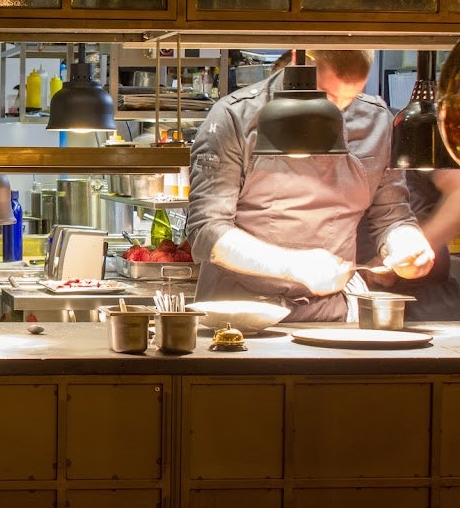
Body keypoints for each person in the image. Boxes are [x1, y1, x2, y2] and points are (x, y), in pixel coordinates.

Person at [186, 50, 435, 322]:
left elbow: (392, 215)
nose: (338, 109)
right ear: (298, 66)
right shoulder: (235, 116)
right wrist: (294, 265)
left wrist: (405, 243)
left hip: (333, 314)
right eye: (327, 96)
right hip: (240, 313)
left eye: (349, 99)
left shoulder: (377, 121)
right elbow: (206, 231)